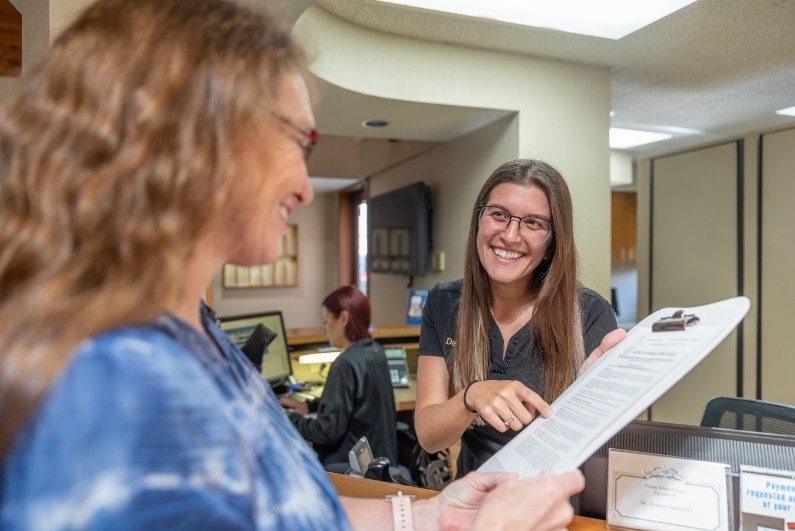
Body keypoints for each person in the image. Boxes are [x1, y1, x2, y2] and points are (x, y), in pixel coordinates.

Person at [0, 1, 588, 529]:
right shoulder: (109, 382)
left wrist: (433, 516)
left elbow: (291, 508)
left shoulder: (198, 333)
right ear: (197, 137)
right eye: (296, 142)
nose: (306, 188)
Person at [415, 159, 627, 477]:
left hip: (552, 508)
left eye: (533, 223)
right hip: (475, 506)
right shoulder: (445, 303)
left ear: (553, 241)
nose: (511, 236)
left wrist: (579, 401)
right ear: (479, 219)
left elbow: (603, 453)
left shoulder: (590, 314)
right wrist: (470, 396)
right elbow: (430, 437)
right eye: (499, 215)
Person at [279, 286, 399, 471]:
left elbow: (327, 431)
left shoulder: (345, 364)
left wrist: (290, 418)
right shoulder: (376, 351)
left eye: (326, 321)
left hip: (352, 467)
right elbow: (355, 405)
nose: (324, 329)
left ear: (343, 319)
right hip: (379, 460)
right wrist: (309, 407)